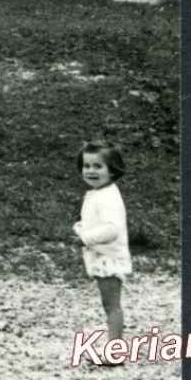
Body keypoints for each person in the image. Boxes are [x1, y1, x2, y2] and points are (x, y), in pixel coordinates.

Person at [73, 141, 131, 364]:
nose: (91, 171)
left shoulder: (108, 197)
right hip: (102, 256)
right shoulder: (98, 192)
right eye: (87, 166)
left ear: (113, 169)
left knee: (112, 306)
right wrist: (81, 229)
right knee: (109, 305)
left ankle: (115, 353)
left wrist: (85, 238)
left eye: (98, 166)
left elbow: (112, 229)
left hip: (110, 258)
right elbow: (93, 222)